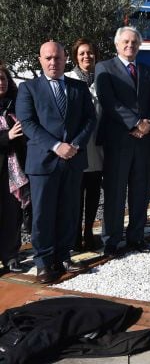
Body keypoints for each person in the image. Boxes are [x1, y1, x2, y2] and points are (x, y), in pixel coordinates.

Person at [16, 41, 95, 284]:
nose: (53, 62)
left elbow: (90, 119)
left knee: (69, 211)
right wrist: (56, 145)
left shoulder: (79, 88)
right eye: (48, 58)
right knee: (42, 215)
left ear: (65, 60)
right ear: (40, 60)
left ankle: (63, 255)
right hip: (43, 162)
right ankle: (43, 262)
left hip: (73, 160)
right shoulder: (28, 88)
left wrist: (76, 145)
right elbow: (28, 123)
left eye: (57, 58)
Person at [95, 26, 150, 257]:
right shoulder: (104, 68)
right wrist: (134, 124)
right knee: (115, 191)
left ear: (139, 45)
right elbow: (108, 101)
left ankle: (136, 237)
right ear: (117, 44)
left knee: (141, 191)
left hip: (143, 141)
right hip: (118, 140)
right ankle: (111, 240)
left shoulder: (148, 70)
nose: (130, 45)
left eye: (134, 42)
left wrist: (147, 122)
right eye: (126, 42)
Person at [64, 38, 104, 251]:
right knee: (75, 195)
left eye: (89, 53)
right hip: (76, 147)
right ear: (75, 57)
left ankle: (89, 232)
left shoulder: (103, 79)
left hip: (97, 148)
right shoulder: (68, 79)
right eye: (82, 53)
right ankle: (74, 236)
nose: (86, 57)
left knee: (94, 194)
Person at [0, 63, 27, 274]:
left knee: (13, 213)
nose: (1, 83)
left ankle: (11, 255)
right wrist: (6, 137)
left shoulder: (16, 105)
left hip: (13, 171)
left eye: (3, 79)